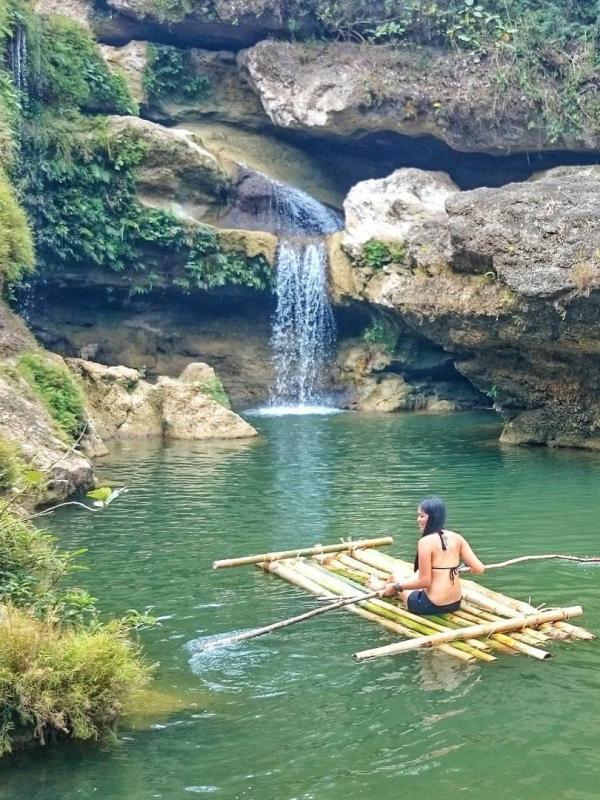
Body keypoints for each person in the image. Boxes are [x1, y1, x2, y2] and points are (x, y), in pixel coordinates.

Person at [369, 496, 485, 615]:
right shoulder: (457, 537)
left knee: (396, 579)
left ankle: (381, 587)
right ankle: (381, 586)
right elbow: (479, 569)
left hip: (431, 606)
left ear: (433, 517)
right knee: (397, 576)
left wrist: (396, 587)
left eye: (421, 516)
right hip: (455, 604)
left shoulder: (425, 542)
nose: (418, 519)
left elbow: (424, 582)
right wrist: (469, 567)